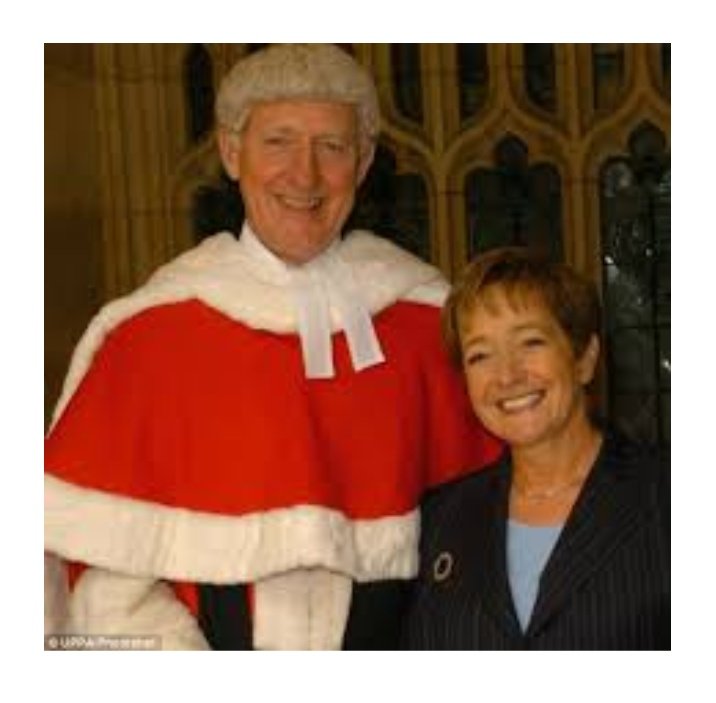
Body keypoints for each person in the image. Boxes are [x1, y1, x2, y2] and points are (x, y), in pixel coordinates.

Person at [44, 43, 501, 650]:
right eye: (278, 141)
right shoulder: (145, 337)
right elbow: (103, 585)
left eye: (332, 146)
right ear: (232, 153)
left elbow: (496, 548)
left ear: (364, 162)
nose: (304, 176)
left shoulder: (431, 326)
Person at [404, 247, 670, 649]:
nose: (507, 375)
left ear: (584, 358)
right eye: (480, 355)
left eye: (530, 342)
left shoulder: (666, 497)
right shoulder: (441, 520)